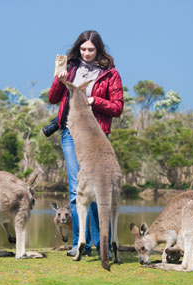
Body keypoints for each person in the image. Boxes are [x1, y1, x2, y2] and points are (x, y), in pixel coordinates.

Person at [48, 30, 124, 257]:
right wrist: (59, 80)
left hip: (97, 134)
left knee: (101, 190)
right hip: (71, 133)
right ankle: (80, 243)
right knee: (77, 188)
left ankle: (104, 244)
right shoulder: (70, 69)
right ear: (78, 49)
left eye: (91, 49)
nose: (87, 53)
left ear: (99, 50)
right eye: (83, 49)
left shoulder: (110, 74)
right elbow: (53, 98)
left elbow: (118, 107)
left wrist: (95, 100)